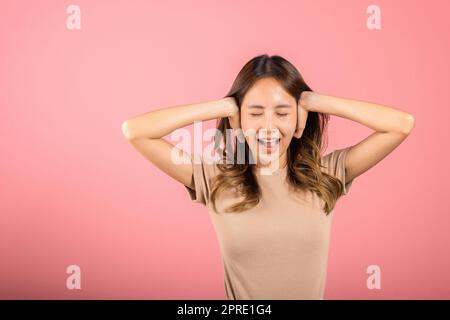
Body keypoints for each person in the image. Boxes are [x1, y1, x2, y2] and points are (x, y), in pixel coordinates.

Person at [121, 54, 415, 300]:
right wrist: (223, 106)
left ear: (299, 122)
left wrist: (312, 101)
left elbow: (401, 125)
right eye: (256, 113)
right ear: (238, 120)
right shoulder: (215, 180)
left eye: (283, 113)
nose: (269, 127)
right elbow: (135, 131)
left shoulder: (326, 175)